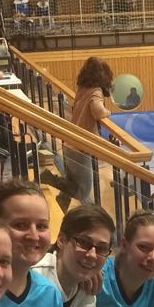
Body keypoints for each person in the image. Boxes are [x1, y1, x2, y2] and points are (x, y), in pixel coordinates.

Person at [64, 57, 113, 205]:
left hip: (71, 143)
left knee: (71, 186)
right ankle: (50, 178)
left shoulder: (82, 88)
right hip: (81, 147)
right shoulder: (96, 91)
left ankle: (60, 201)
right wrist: (108, 112)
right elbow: (98, 111)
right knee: (83, 191)